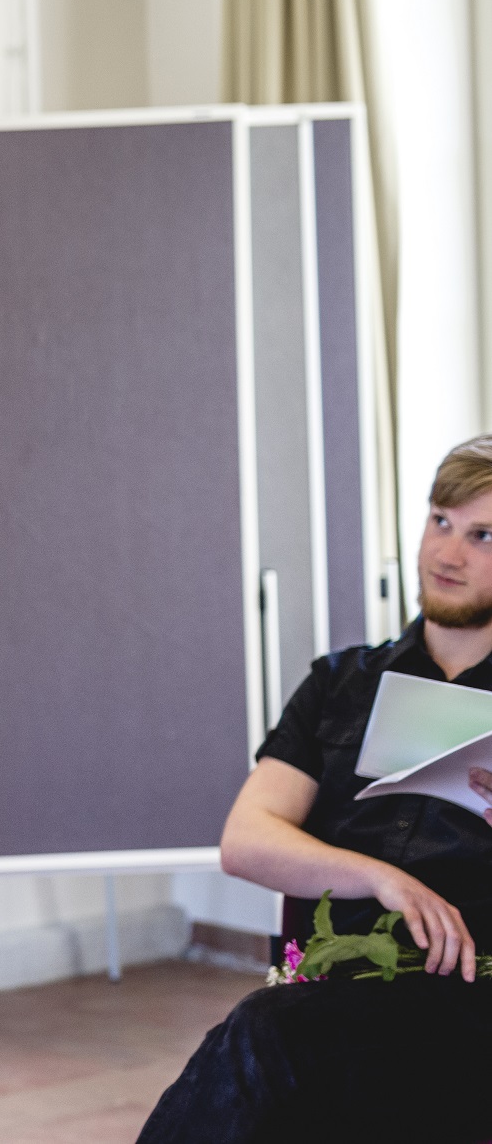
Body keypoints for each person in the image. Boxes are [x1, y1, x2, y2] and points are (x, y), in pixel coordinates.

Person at [138, 435, 492, 1143]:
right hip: (333, 990)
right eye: (439, 521)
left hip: (466, 1002)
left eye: (481, 536)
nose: (445, 554)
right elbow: (246, 840)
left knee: (265, 1038)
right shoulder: (338, 684)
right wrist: (381, 878)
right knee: (275, 1047)